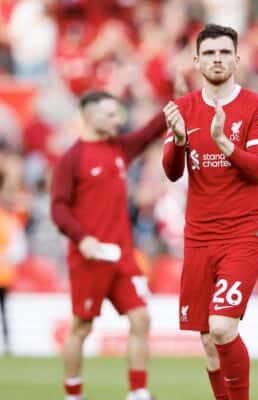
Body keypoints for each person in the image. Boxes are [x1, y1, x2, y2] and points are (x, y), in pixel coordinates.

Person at [162, 24, 258, 400]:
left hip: (244, 233)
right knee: (209, 341)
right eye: (209, 53)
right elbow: (172, 171)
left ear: (237, 60)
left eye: (224, 52)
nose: (217, 59)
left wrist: (224, 142)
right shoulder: (182, 108)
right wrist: (178, 140)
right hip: (198, 236)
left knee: (223, 326)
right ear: (196, 61)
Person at [51, 90, 167, 400]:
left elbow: (147, 135)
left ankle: (138, 392)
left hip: (122, 257)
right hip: (89, 257)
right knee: (82, 327)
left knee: (141, 318)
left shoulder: (118, 148)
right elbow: (58, 208)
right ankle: (73, 394)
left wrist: (177, 105)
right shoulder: (73, 158)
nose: (118, 120)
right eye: (111, 114)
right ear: (90, 116)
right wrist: (82, 238)